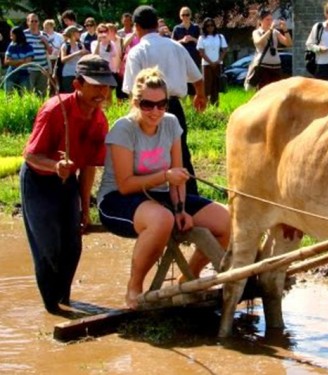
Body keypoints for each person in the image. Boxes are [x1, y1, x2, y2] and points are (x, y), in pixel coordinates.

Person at [98, 67, 230, 309]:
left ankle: (188, 278)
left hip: (161, 196)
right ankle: (134, 287)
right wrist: (165, 176)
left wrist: (180, 208)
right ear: (136, 102)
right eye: (148, 105)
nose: (155, 111)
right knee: (161, 219)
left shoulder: (171, 124)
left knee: (226, 220)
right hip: (118, 198)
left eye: (162, 104)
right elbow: (126, 184)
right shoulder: (123, 129)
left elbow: (177, 176)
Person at [20, 54, 117, 314]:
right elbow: (30, 154)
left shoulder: (99, 120)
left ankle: (65, 301)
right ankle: (52, 310)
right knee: (48, 247)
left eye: (105, 85)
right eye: (95, 85)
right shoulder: (55, 109)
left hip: (68, 183)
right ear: (77, 84)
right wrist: (54, 166)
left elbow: (87, 167)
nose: (102, 92)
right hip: (38, 181)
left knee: (72, 246)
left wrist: (84, 207)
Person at [123, 5, 207, 196]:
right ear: (156, 23)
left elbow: (133, 92)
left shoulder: (137, 52)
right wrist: (200, 96)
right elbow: (198, 78)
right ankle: (190, 197)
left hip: (147, 108)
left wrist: (134, 116)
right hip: (173, 106)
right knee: (182, 154)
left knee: (146, 154)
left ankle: (151, 194)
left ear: (136, 27)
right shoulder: (176, 46)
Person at [250, 9, 292, 90]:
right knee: (263, 91)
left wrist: (285, 30)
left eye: (271, 19)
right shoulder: (256, 32)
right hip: (263, 67)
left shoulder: (275, 32)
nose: (270, 22)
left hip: (276, 67)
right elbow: (258, 42)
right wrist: (269, 30)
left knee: (277, 92)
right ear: (260, 21)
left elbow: (288, 43)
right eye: (267, 20)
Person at [196, 17, 228, 106]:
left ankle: (215, 106)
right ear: (204, 27)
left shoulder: (220, 37)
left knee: (216, 87)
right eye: (207, 26)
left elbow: (225, 49)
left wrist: (219, 60)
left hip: (218, 64)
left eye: (212, 25)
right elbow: (201, 52)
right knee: (206, 87)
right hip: (206, 65)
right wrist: (210, 62)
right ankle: (205, 107)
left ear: (214, 26)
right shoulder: (202, 38)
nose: (210, 27)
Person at [172, 6, 201, 98]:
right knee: (182, 80)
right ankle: (183, 103)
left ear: (190, 15)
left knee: (193, 79)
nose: (185, 17)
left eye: (187, 14)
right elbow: (172, 43)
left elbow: (202, 42)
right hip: (181, 58)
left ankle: (193, 103)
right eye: (183, 15)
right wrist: (182, 40)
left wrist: (193, 39)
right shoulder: (177, 28)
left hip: (194, 57)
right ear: (180, 16)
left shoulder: (196, 28)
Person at [24, 13, 53, 96]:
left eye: (36, 21)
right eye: (32, 21)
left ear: (39, 22)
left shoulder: (44, 34)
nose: (34, 23)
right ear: (28, 22)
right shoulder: (23, 34)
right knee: (28, 92)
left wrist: (45, 42)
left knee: (41, 93)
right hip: (29, 68)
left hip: (43, 69)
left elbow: (50, 51)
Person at [3, 26, 34, 93]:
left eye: (12, 35)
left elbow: (27, 62)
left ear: (17, 35)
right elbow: (6, 61)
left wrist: (13, 62)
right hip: (11, 74)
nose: (10, 37)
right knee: (8, 96)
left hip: (24, 76)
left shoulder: (28, 47)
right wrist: (21, 60)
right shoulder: (11, 46)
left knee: (24, 95)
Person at [59, 25, 87, 93]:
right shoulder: (65, 46)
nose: (79, 34)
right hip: (68, 74)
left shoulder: (80, 45)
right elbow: (63, 59)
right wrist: (77, 53)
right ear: (73, 34)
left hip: (79, 74)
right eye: (78, 32)